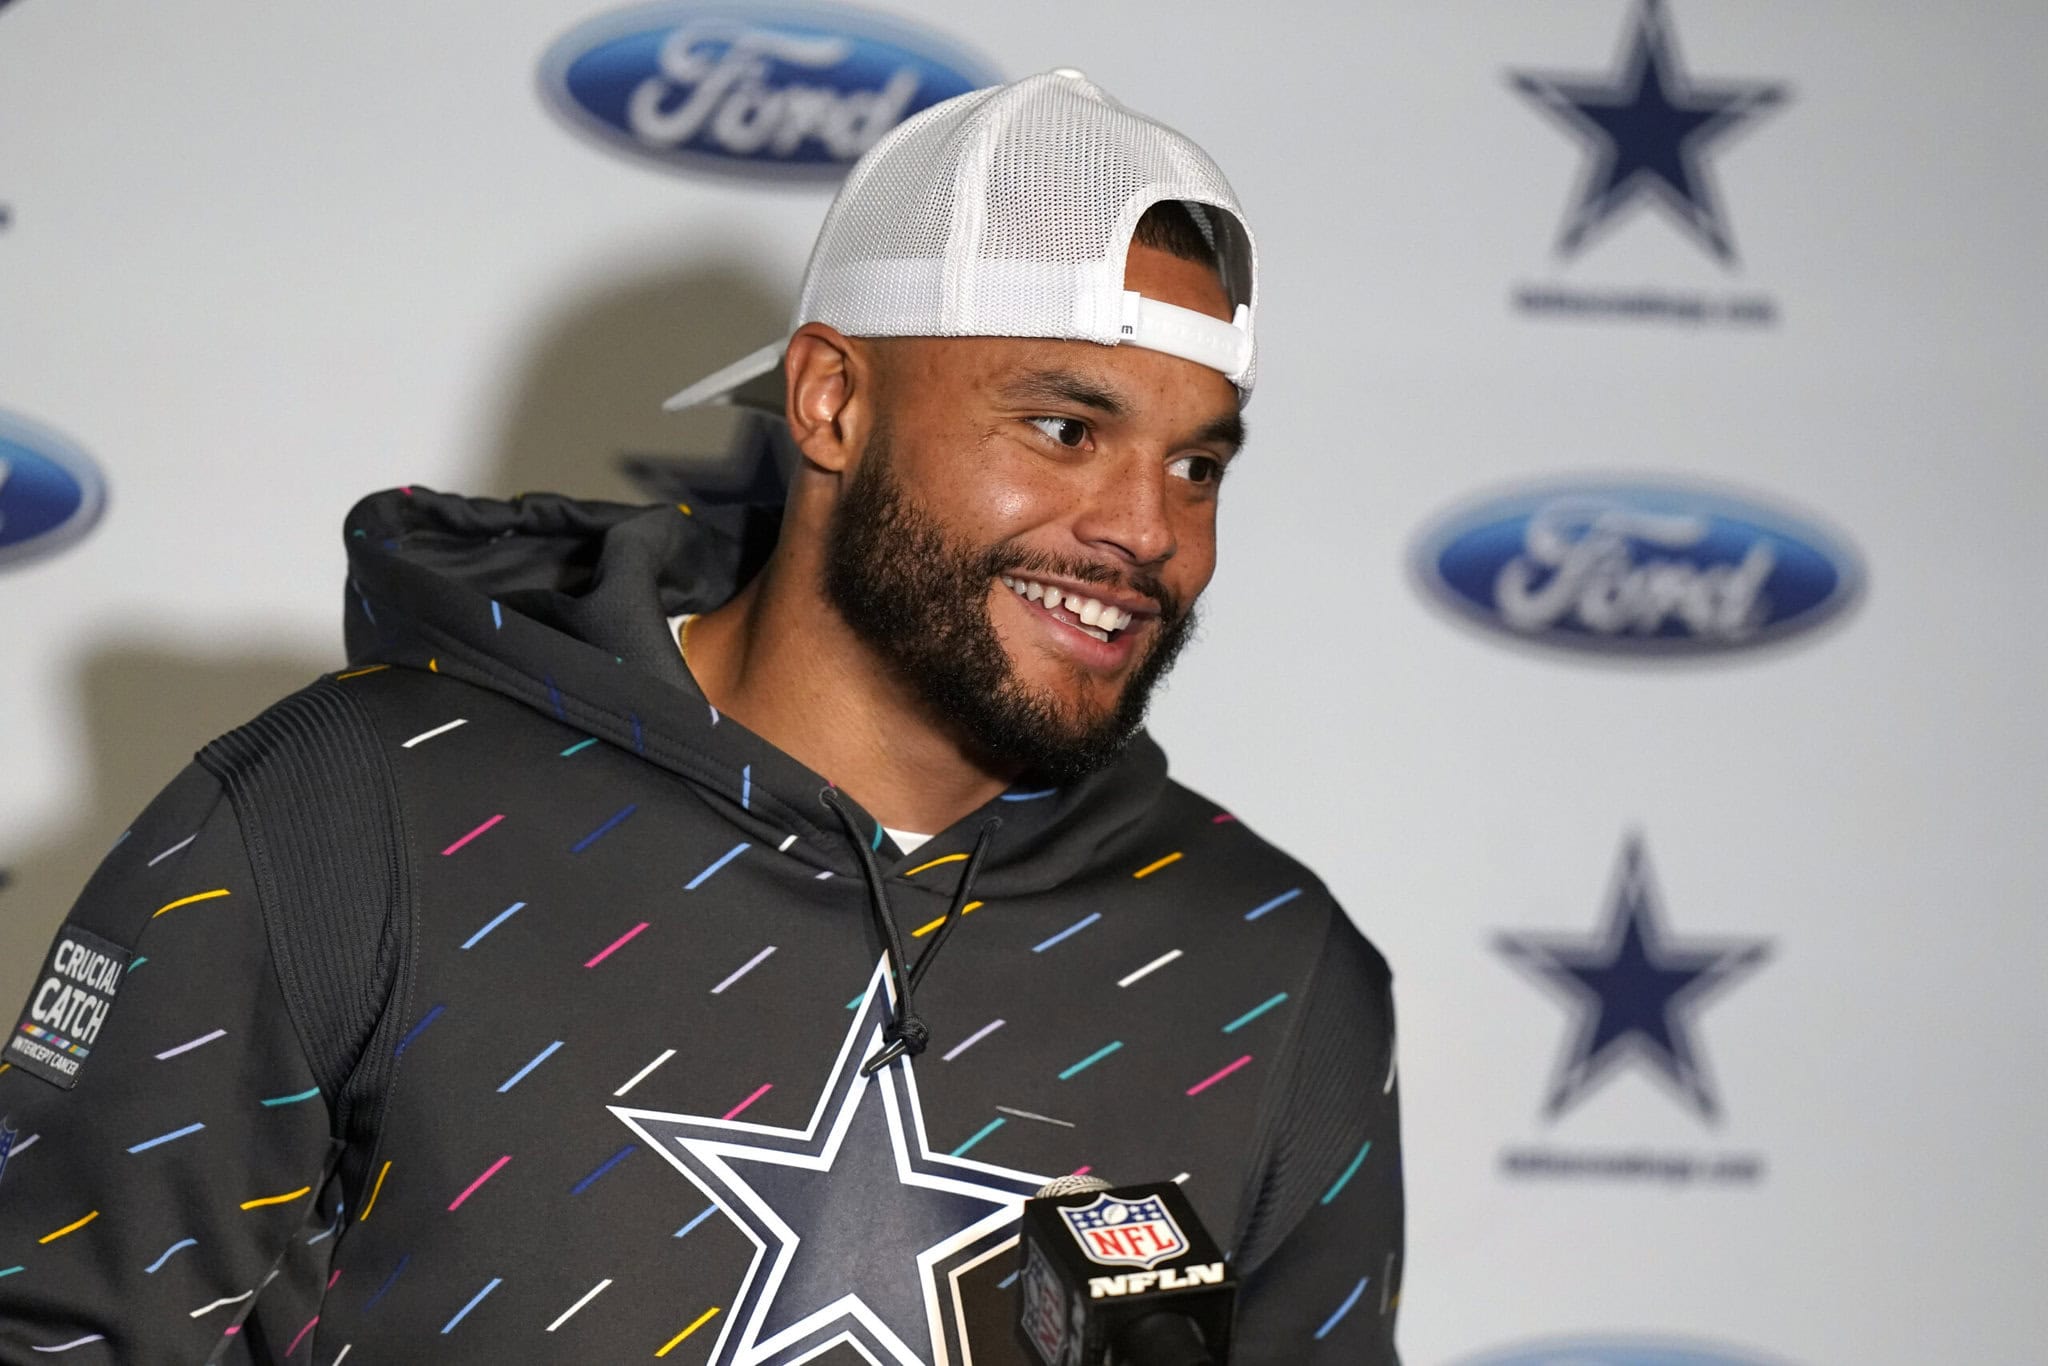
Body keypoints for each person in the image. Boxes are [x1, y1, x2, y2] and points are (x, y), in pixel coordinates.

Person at [0, 70, 1402, 1364]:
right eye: (1064, 430)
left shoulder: (1275, 974)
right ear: (832, 400)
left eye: (1200, 462)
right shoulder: (344, 815)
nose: (1147, 529)